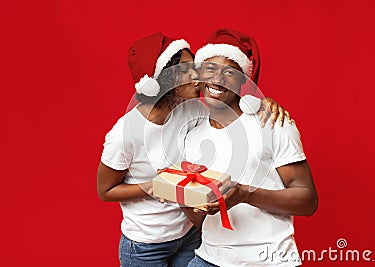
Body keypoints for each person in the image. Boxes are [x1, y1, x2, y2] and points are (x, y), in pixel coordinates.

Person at [97, 32, 289, 267]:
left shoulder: (192, 110)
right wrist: (156, 186)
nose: (197, 76)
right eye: (186, 70)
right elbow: (105, 190)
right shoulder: (124, 133)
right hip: (145, 245)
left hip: (189, 236)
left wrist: (263, 102)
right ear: (162, 79)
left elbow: (229, 104)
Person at [184, 29, 318, 267]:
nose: (218, 79)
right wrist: (182, 197)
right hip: (208, 259)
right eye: (211, 69)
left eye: (229, 72)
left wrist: (246, 194)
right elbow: (198, 219)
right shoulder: (192, 136)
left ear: (243, 80)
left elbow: (308, 201)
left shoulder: (272, 123)